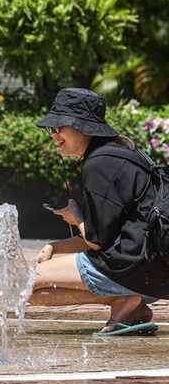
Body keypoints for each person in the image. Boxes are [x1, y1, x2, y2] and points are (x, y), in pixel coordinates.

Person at [29, 88, 169, 336]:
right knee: (33, 288)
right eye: (50, 129)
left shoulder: (99, 164)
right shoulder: (124, 153)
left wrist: (75, 216)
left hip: (131, 267)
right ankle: (127, 304)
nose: (53, 135)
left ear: (81, 127)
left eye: (58, 127)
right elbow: (106, 236)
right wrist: (55, 247)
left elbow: (95, 241)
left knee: (23, 284)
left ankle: (124, 299)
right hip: (156, 272)